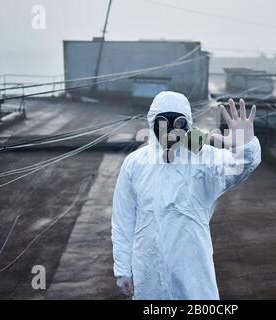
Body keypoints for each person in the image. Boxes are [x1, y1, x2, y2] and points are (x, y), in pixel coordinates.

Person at [111, 91, 261, 300]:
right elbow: (123, 220)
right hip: (148, 277)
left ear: (188, 124)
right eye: (162, 122)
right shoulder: (135, 164)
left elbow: (239, 167)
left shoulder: (203, 158)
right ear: (152, 122)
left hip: (194, 279)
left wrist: (245, 145)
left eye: (178, 122)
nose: (170, 129)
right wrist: (123, 269)